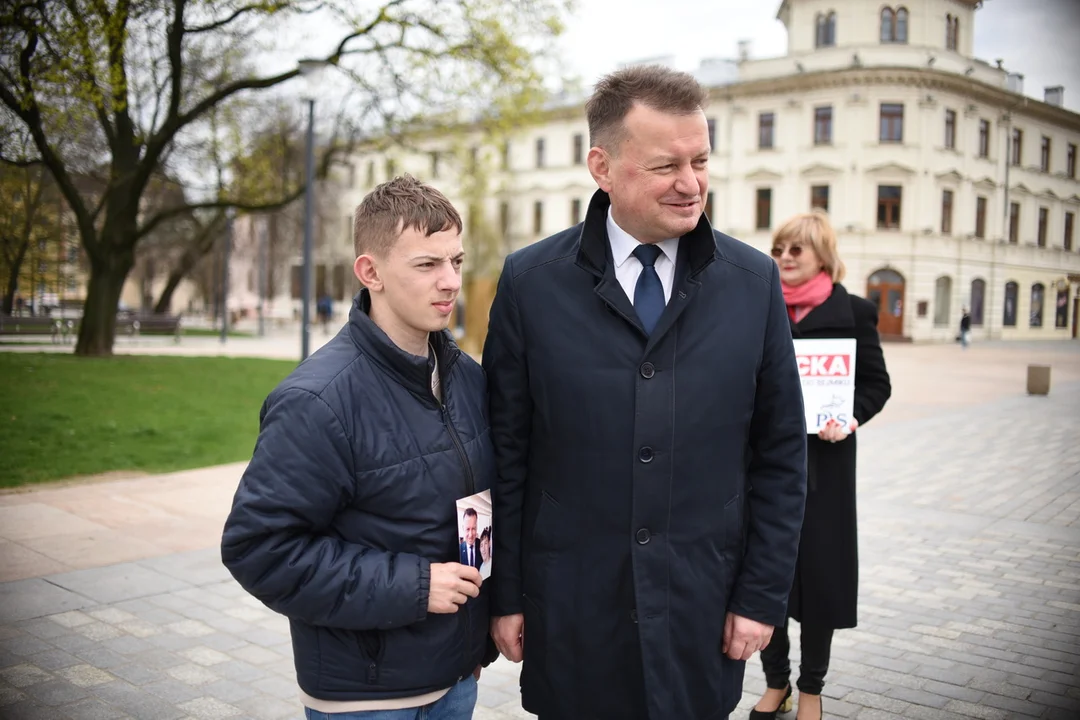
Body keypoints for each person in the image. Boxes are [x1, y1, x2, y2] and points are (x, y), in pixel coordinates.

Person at [482, 65, 808, 720]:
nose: (691, 185)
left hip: (702, 613)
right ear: (602, 166)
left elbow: (780, 457)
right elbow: (507, 455)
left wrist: (761, 598)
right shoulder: (530, 284)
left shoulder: (753, 284)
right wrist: (507, 595)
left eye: (701, 161)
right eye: (666, 166)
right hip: (573, 618)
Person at [221, 175, 497, 720]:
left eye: (456, 262)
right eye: (427, 265)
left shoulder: (468, 378)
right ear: (371, 273)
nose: (450, 283)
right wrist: (416, 587)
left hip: (457, 678)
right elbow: (259, 549)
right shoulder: (316, 401)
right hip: (367, 698)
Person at [751, 211, 891, 720]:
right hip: (763, 465)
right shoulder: (758, 308)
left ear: (822, 257)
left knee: (819, 582)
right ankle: (775, 683)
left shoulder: (854, 312)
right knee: (765, 575)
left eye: (796, 250)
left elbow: (877, 384)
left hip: (825, 471)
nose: (785, 258)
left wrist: (850, 417)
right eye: (779, 249)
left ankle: (811, 689)